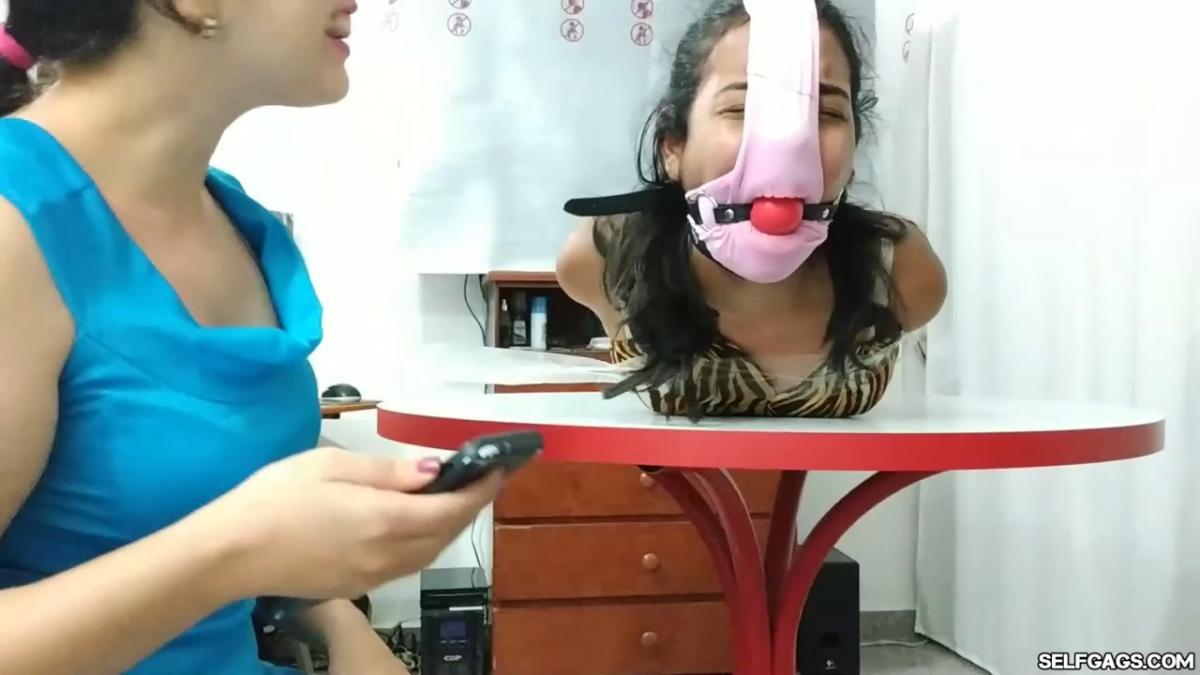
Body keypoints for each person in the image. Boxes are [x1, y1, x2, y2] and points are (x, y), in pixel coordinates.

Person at [0, 2, 502, 674]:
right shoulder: (14, 227)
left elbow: (198, 490)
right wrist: (239, 549)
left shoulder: (227, 213)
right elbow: (226, 533)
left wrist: (338, 619)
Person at [557, 0, 947, 420]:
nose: (788, 148)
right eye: (741, 110)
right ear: (673, 147)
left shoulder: (900, 272)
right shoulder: (605, 259)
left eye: (826, 112)